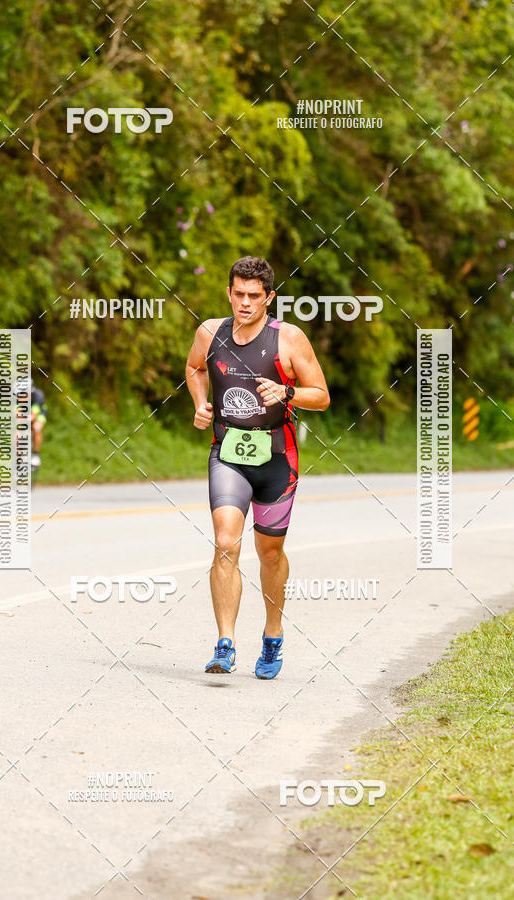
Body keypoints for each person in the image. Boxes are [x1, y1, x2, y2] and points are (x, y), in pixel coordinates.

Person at [185, 256, 330, 679]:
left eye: (254, 296)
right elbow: (194, 367)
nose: (245, 303)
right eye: (238, 294)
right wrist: (200, 404)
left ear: (269, 297)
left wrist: (287, 392)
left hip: (277, 459)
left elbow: (321, 395)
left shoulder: (289, 338)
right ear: (229, 293)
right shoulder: (210, 332)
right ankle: (225, 644)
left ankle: (272, 634)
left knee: (270, 552)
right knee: (225, 541)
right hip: (227, 453)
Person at [13, 377, 47, 467]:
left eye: (22, 395)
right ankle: (19, 460)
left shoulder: (38, 396)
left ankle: (36, 454)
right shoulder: (16, 399)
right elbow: (17, 414)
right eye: (18, 395)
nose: (19, 398)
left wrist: (27, 420)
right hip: (25, 414)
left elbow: (34, 415)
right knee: (17, 436)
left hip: (39, 413)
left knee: (36, 427)